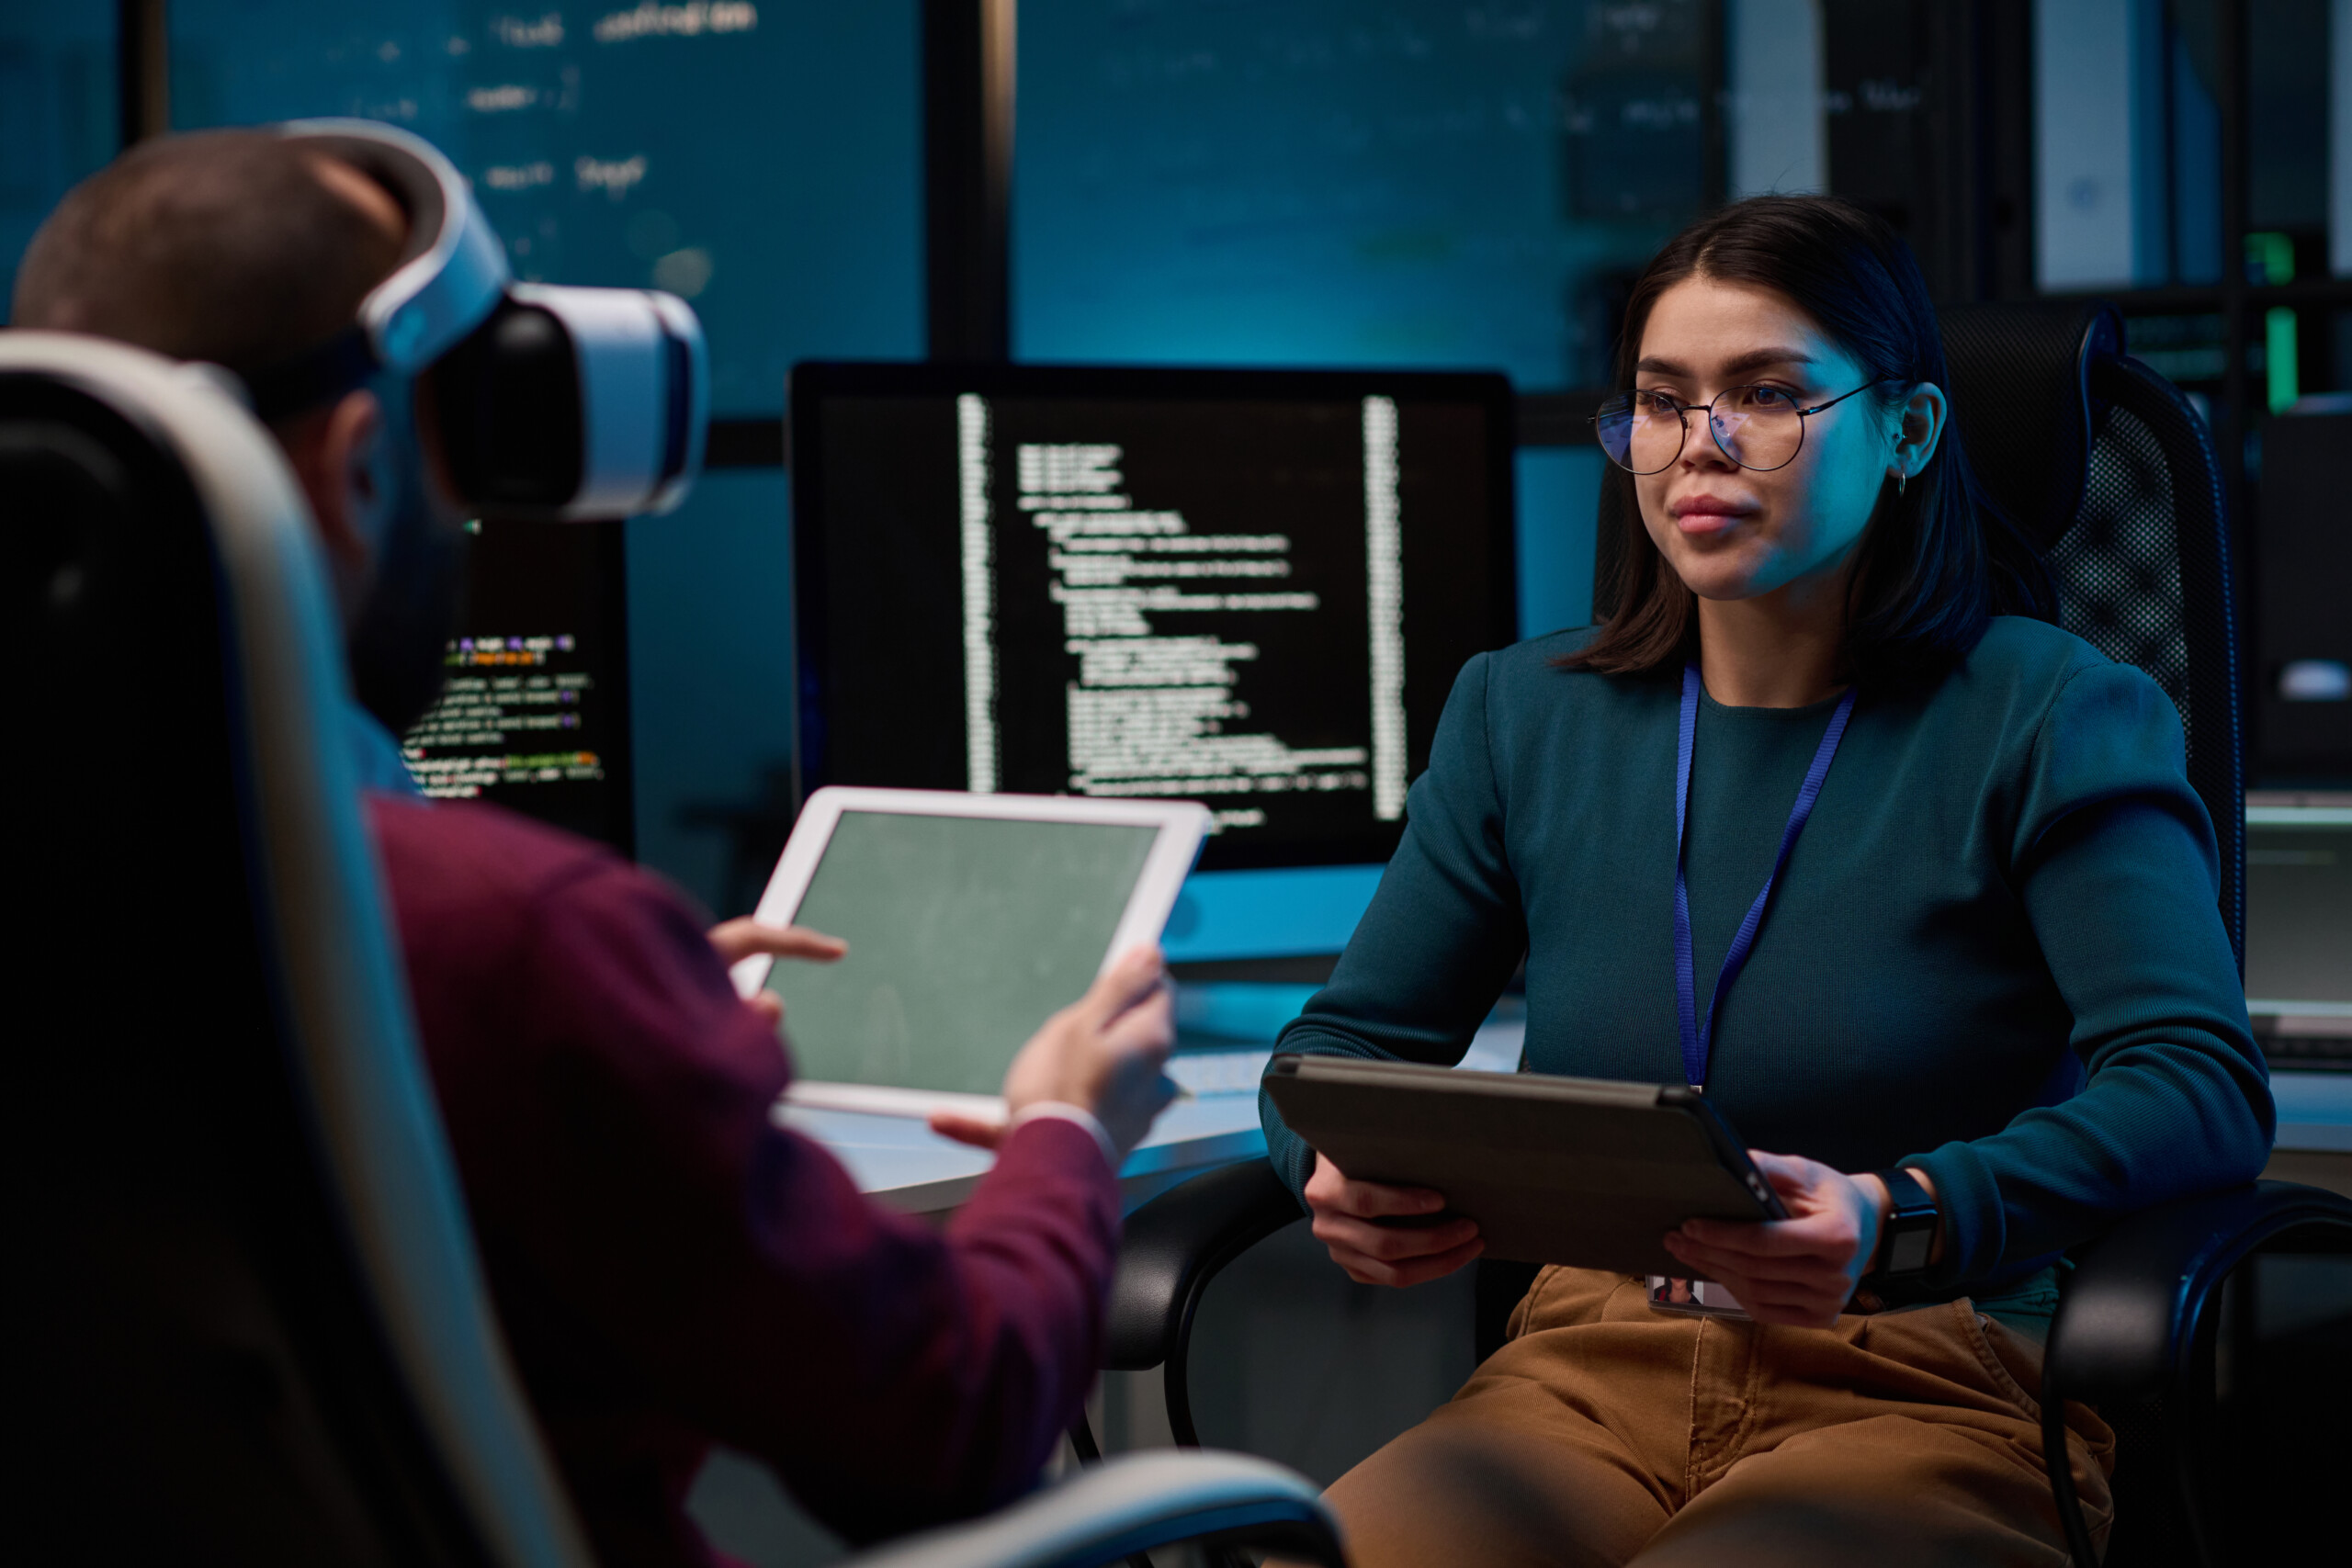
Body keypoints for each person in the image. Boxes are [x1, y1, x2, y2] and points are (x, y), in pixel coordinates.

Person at [12, 129, 1177, 1567]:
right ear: (361, 469)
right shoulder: (515, 945)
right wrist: (1065, 1128)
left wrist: (640, 1010)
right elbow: (934, 1427)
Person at [1261, 195, 2271, 1567]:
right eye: (1663, 402)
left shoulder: (2050, 713)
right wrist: (1331, 1163)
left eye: (1771, 394)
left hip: (1926, 1374)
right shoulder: (1524, 714)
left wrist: (1899, 1213)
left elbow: (2199, 1086)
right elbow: (1343, 1045)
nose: (1702, 445)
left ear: (1909, 433)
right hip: (1585, 1366)